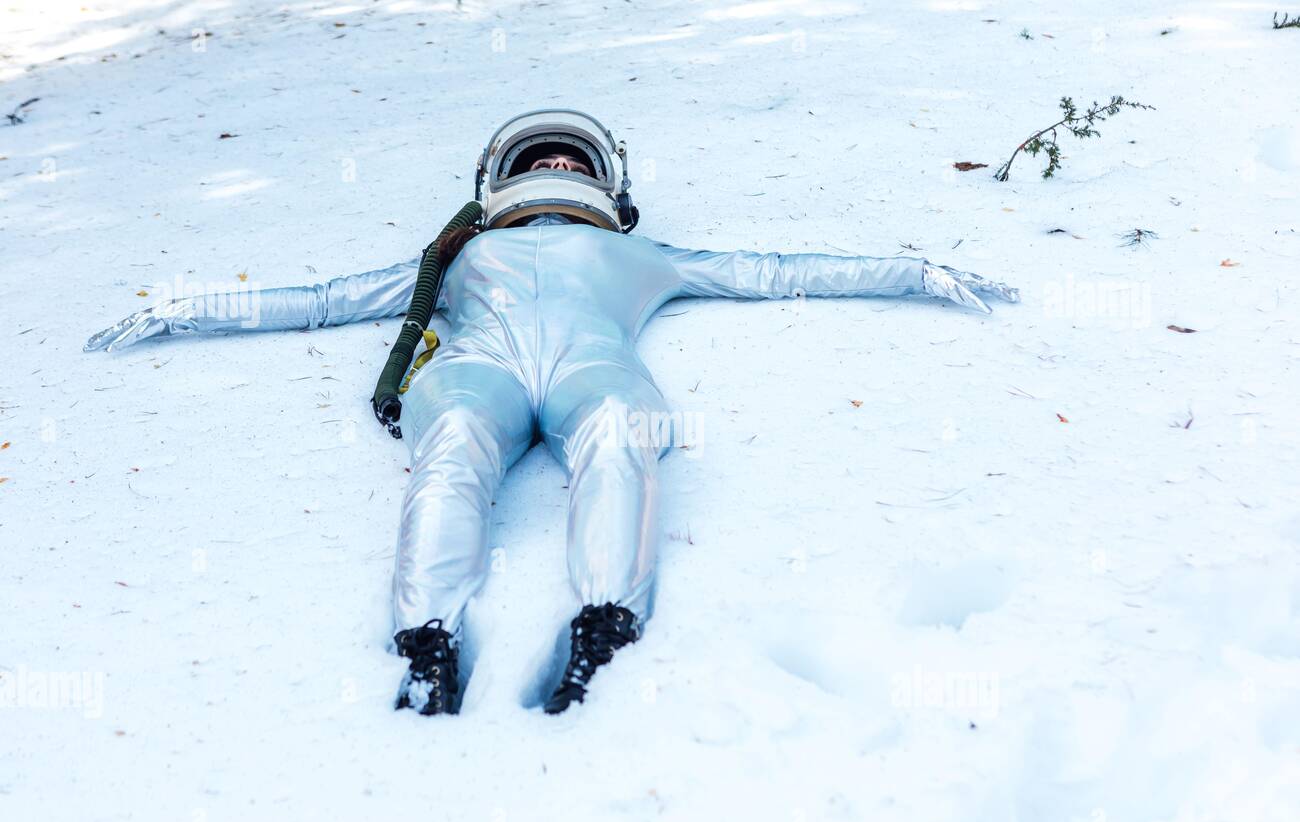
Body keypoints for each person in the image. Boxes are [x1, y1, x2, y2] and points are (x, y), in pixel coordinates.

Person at [85, 108, 1019, 717]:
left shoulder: (643, 254)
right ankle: (428, 639)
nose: (560, 164)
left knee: (624, 434)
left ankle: (604, 620)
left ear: (606, 183)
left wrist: (913, 271)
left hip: (593, 369)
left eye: (573, 157)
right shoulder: (452, 258)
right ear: (506, 178)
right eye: (547, 156)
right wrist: (186, 307)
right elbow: (326, 297)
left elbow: (773, 271)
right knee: (448, 445)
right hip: (476, 371)